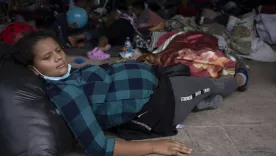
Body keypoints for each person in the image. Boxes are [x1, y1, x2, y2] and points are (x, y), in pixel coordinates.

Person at [12, 31, 249, 156]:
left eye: (58, 50)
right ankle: (240, 79)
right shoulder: (67, 94)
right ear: (33, 68)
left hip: (157, 81)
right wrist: (156, 147)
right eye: (47, 57)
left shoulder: (64, 75)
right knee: (209, 83)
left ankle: (201, 102)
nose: (58, 57)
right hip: (162, 103)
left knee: (186, 70)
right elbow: (98, 148)